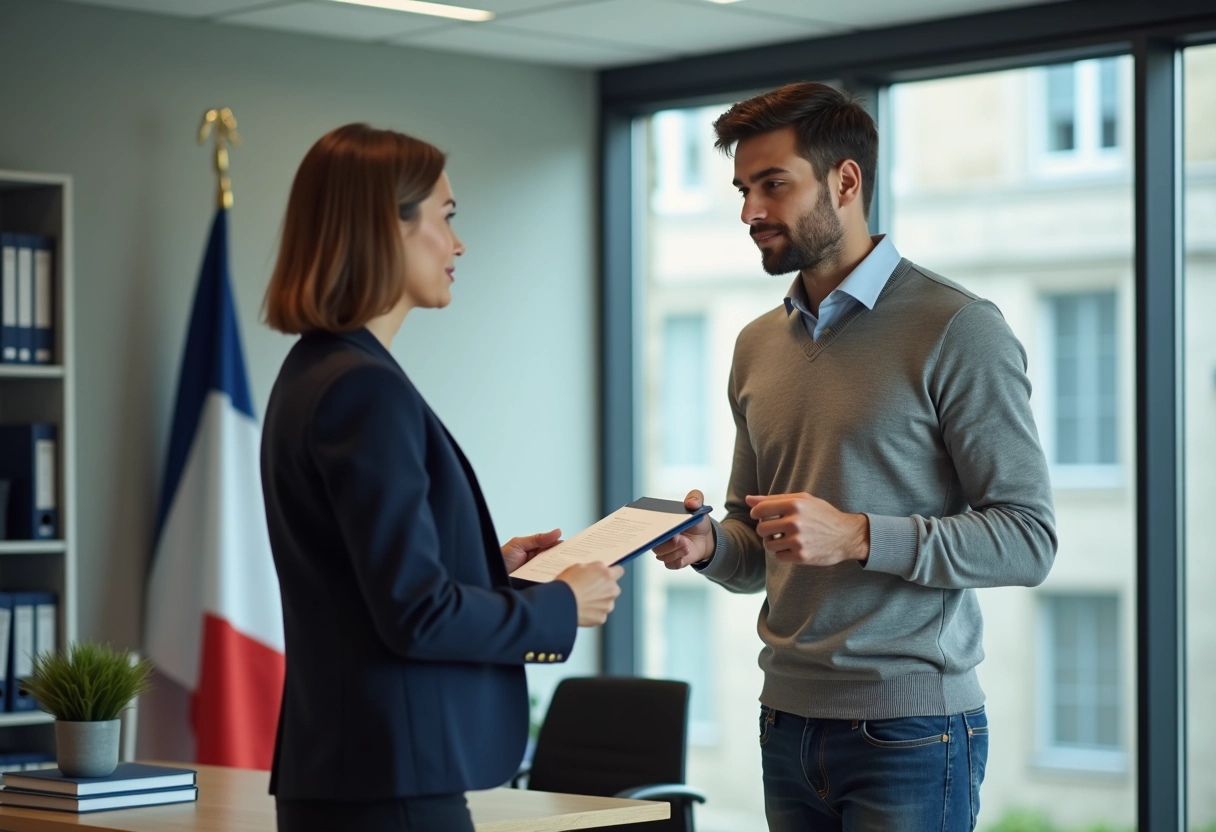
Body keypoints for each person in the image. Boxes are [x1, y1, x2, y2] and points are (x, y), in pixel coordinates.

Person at [653, 82, 1057, 831]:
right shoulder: (756, 345)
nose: (749, 211)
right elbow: (758, 547)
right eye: (743, 190)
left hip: (912, 732)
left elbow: (1029, 539)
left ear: (845, 181)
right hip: (785, 722)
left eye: (773, 184)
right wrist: (710, 545)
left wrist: (859, 535)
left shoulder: (958, 327)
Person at [259, 123, 622, 832]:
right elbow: (414, 614)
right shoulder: (365, 389)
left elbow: (363, 584)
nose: (458, 245)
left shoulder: (313, 371)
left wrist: (491, 569)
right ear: (384, 226)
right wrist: (561, 605)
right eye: (446, 217)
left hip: (349, 774)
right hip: (390, 783)